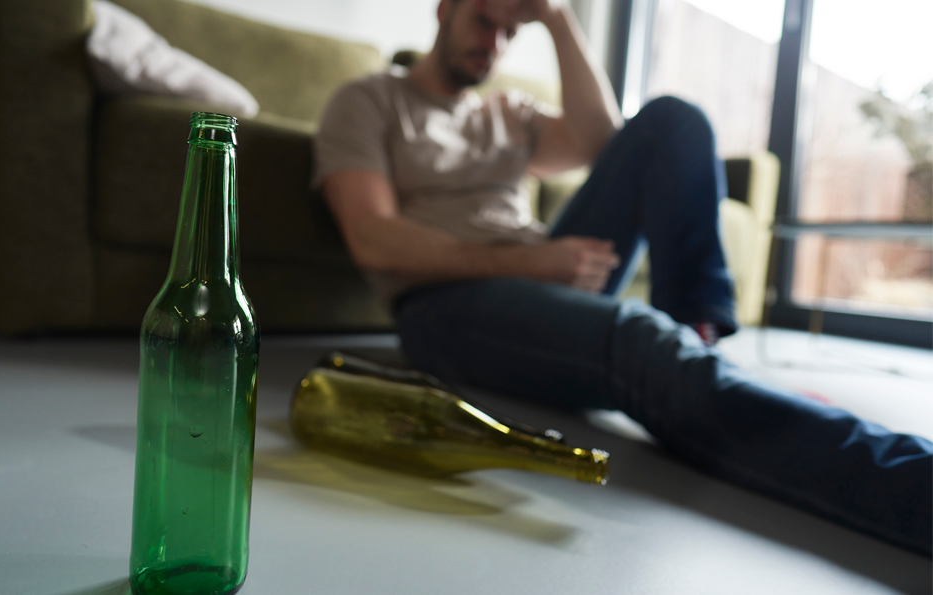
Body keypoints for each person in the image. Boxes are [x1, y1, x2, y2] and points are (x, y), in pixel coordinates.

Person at [312, 0, 933, 556]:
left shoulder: (507, 113)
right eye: (484, 20)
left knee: (672, 119)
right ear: (445, 8)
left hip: (543, 276)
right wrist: (528, 262)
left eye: (509, 32)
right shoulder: (369, 99)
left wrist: (555, 15)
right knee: (640, 341)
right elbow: (373, 238)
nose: (495, 43)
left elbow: (609, 145)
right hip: (444, 307)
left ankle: (700, 343)